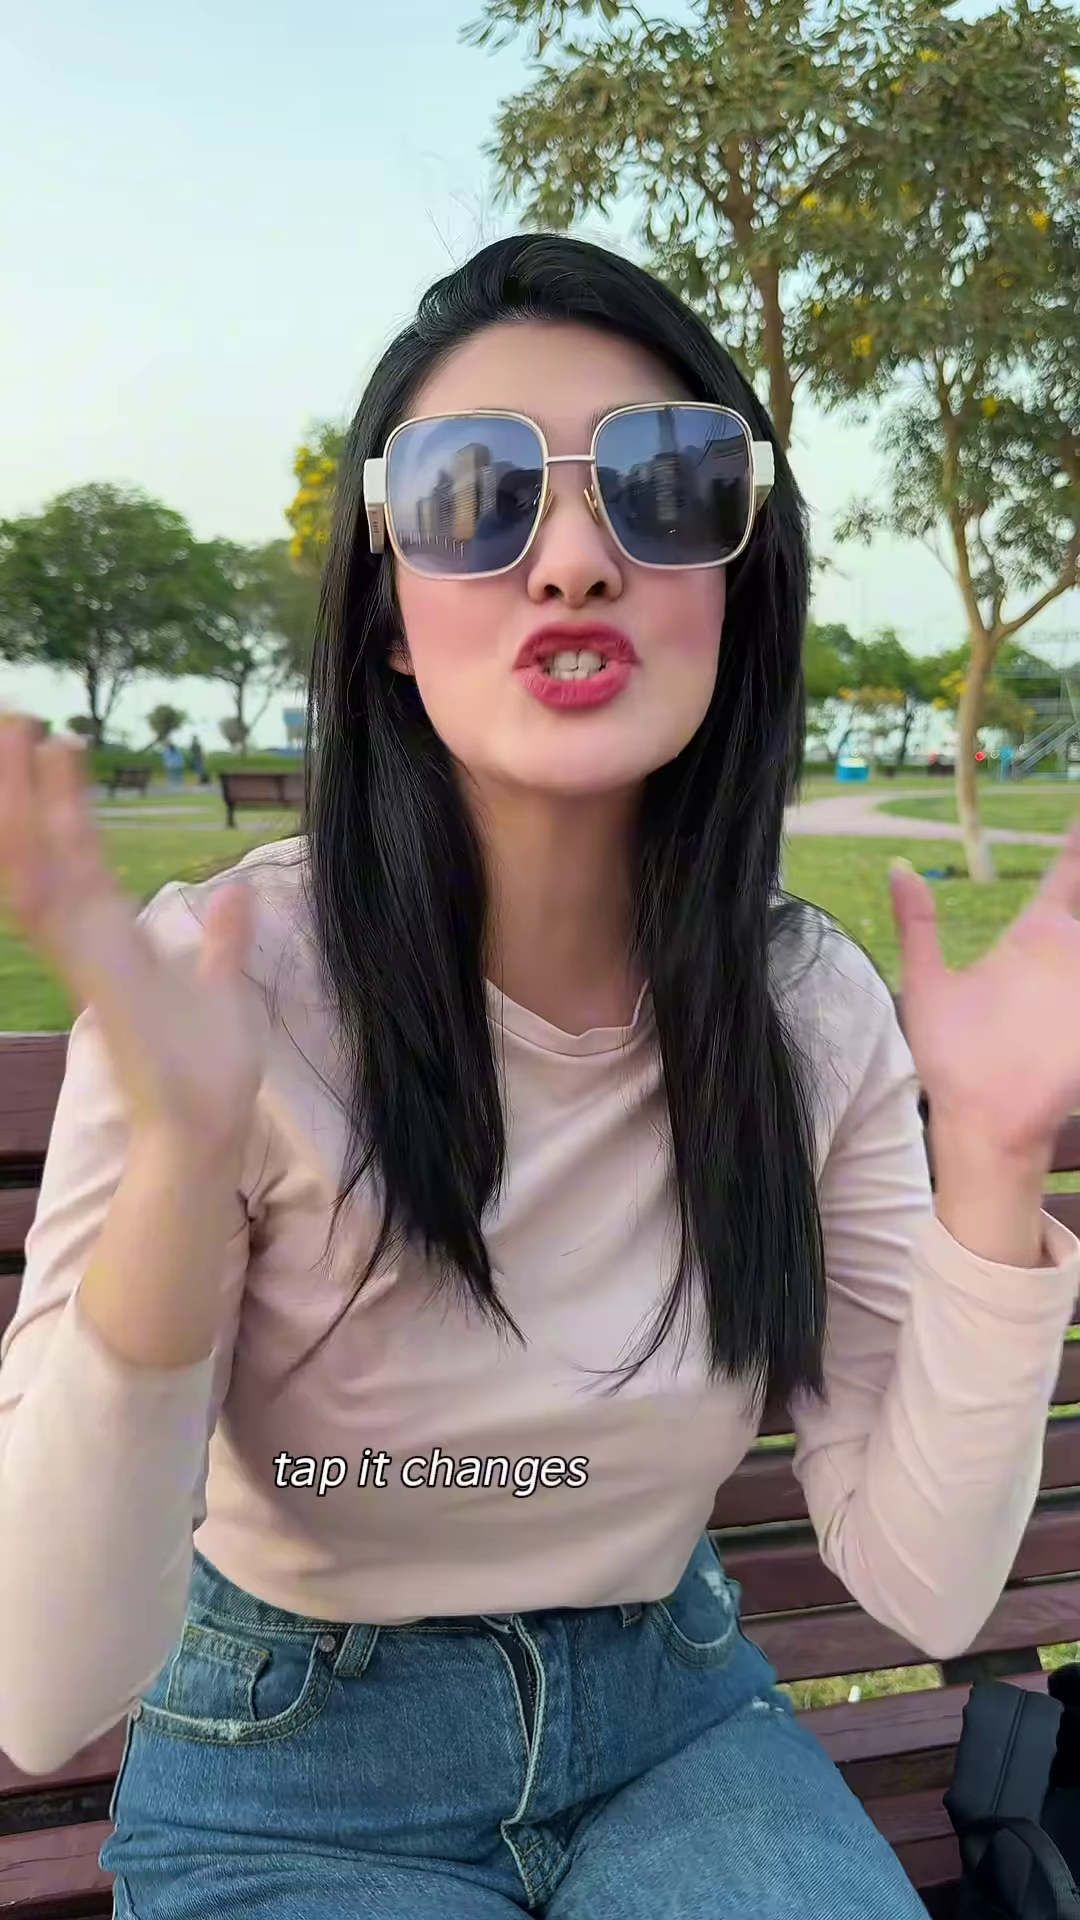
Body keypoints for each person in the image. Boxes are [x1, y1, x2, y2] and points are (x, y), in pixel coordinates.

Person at [1, 234, 1078, 1919]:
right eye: (473, 496)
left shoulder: (806, 1009)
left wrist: (998, 1165)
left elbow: (927, 1589)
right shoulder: (224, 983)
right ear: (389, 618)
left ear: (739, 576)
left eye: (667, 485)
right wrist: (179, 1172)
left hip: (674, 1720)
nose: (574, 559)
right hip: (294, 1761)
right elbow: (48, 1685)